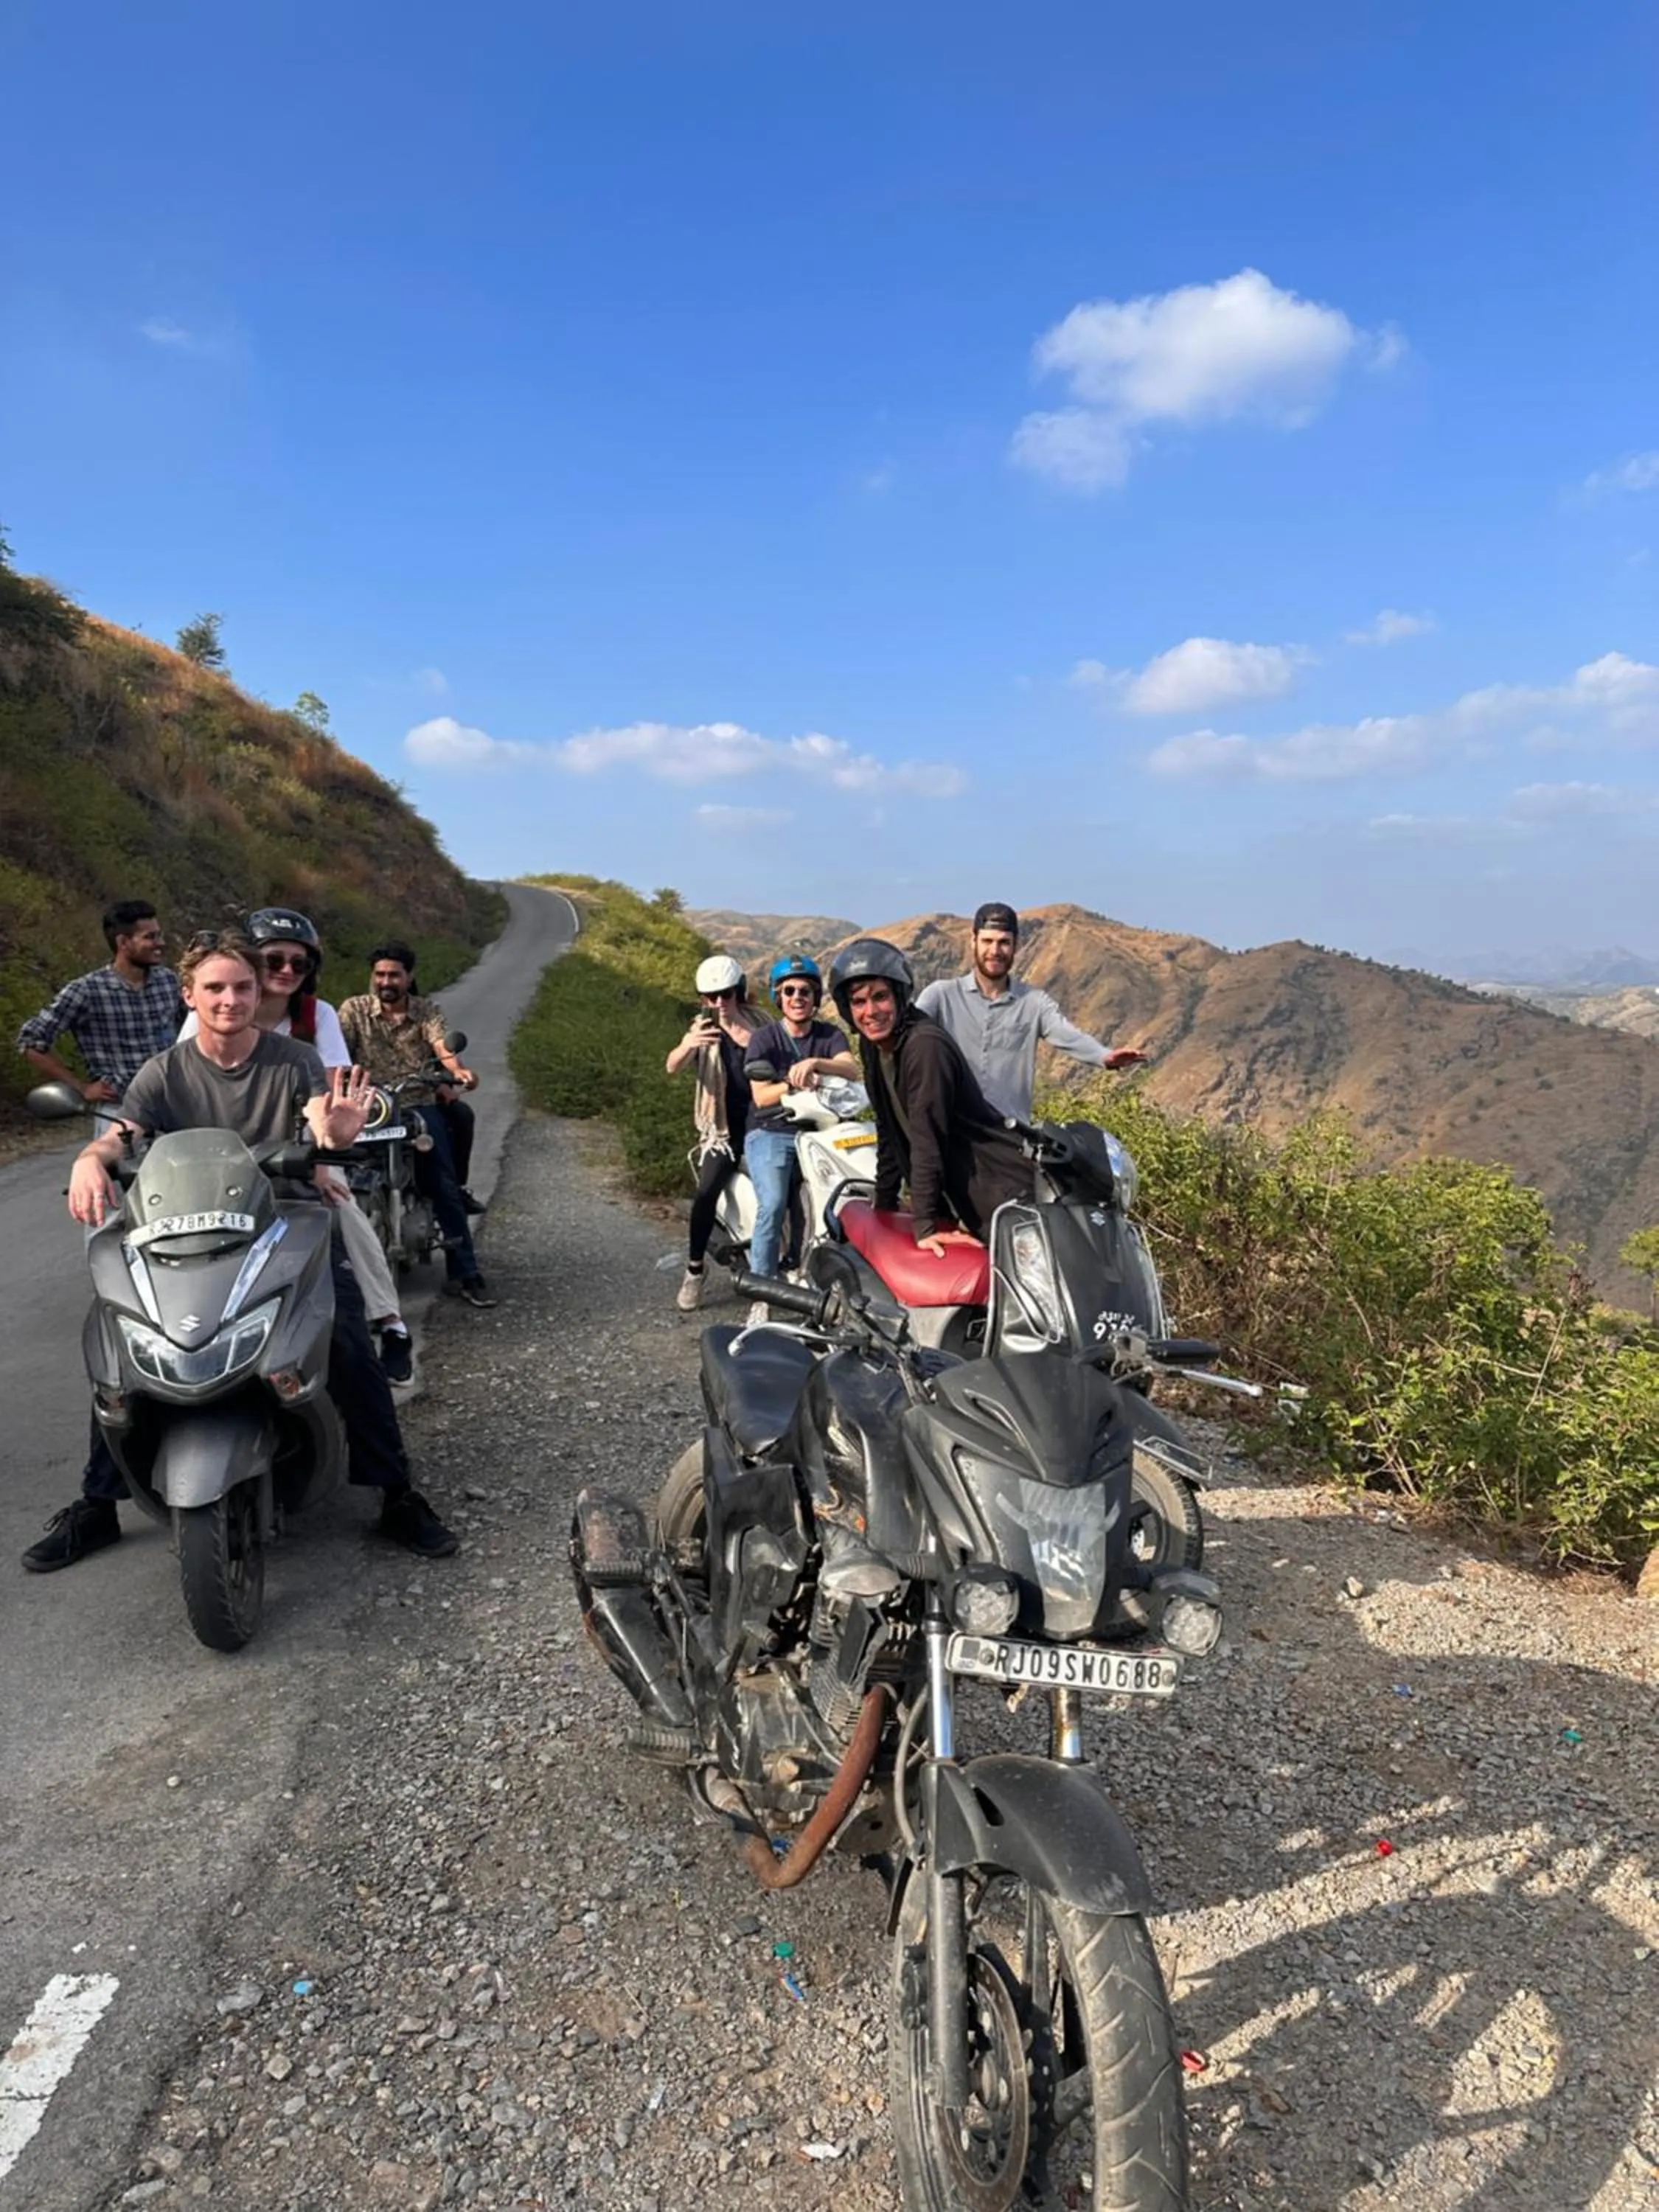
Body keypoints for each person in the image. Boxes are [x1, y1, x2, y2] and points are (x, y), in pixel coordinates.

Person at [21, 932, 456, 1573]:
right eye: (216, 988)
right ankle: (97, 1503)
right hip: (185, 1228)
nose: (231, 1000)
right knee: (123, 1343)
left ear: (261, 994)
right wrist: (92, 1160)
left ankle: (395, 1493)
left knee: (346, 1345)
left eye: (243, 988)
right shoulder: (163, 1071)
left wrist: (334, 1132)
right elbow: (124, 1134)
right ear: (189, 996)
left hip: (284, 1222)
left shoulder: (294, 1059)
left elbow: (319, 1120)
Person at [178, 909, 415, 1384]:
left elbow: (327, 1093)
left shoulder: (316, 1017)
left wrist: (322, 1159)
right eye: (274, 960)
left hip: (299, 1151)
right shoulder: (208, 1016)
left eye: (299, 964)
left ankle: (390, 1321)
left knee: (341, 1207)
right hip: (223, 1154)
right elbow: (180, 1084)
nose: (286, 971)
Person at [828, 938, 1032, 1257]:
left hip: (996, 1191)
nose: (871, 1012)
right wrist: (885, 1203)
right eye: (859, 1002)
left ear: (899, 995)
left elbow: (927, 1136)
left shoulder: (924, 1047)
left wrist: (925, 1225)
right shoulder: (873, 1045)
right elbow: (889, 1128)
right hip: (955, 1196)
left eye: (881, 997)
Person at [338, 945, 497, 1309]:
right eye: (380, 975)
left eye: (394, 975)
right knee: (335, 1183)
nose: (386, 982)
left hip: (416, 1106)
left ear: (409, 977)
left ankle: (466, 1273)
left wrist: (456, 1072)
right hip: (370, 1110)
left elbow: (441, 1045)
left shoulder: (426, 1010)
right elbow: (337, 1053)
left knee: (443, 1186)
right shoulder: (354, 1010)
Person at [914, 900, 1147, 1124]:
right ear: (973, 942)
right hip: (952, 1135)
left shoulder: (1034, 1003)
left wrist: (1104, 1057)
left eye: (1004, 942)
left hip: (1010, 1139)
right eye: (987, 941)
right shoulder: (941, 996)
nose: (995, 951)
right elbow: (908, 1035)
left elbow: (1067, 1035)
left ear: (1017, 945)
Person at [740, 956, 860, 1321]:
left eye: (805, 991)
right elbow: (761, 1097)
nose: (797, 997)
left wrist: (817, 1064)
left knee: (847, 1197)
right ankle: (762, 1292)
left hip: (820, 1130)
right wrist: (791, 1082)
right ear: (779, 997)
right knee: (774, 1203)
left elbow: (851, 1068)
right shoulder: (765, 1038)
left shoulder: (828, 1036)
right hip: (771, 1131)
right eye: (789, 990)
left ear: (816, 996)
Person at [16, 900, 184, 1133]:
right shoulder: (86, 991)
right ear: (123, 943)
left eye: (160, 935)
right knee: (113, 1169)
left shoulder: (169, 982)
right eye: (151, 937)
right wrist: (81, 1087)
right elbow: (30, 1041)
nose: (160, 944)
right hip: (120, 1115)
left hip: (172, 1109)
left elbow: (194, 1031)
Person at [664, 954, 763, 1311]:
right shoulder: (702, 1030)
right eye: (711, 996)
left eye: (726, 994)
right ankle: (694, 1269)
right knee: (705, 1192)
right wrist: (690, 1044)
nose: (719, 1003)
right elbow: (672, 1065)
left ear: (738, 991)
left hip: (763, 1119)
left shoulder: (761, 1024)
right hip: (721, 1128)